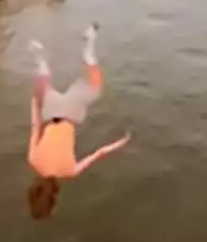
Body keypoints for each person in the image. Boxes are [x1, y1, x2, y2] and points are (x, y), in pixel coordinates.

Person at [26, 24, 131, 219]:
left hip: (70, 113)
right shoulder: (32, 160)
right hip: (50, 112)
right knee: (44, 81)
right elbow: (35, 126)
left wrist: (121, 142)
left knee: (96, 87)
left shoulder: (71, 171)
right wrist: (35, 101)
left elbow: (99, 153)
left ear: (54, 198)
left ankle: (89, 49)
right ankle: (40, 59)